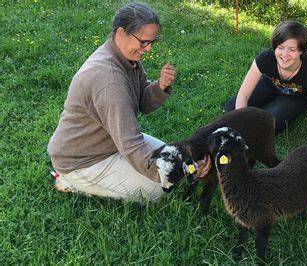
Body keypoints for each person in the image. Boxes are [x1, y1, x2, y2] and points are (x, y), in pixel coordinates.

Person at [48, 2, 210, 203]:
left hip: (112, 142)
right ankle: (73, 181)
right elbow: (131, 144)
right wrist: (180, 172)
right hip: (82, 161)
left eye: (152, 42)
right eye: (143, 42)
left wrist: (160, 86)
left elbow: (142, 101)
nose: (148, 49)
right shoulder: (109, 81)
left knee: (172, 159)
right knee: (160, 189)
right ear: (121, 33)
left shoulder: (125, 58)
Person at [224, 20, 307, 192]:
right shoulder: (265, 58)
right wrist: (243, 129)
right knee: (232, 109)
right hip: (271, 85)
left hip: (298, 96)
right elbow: (244, 95)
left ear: (301, 51)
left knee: (268, 123)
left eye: (292, 49)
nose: (285, 54)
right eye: (280, 47)